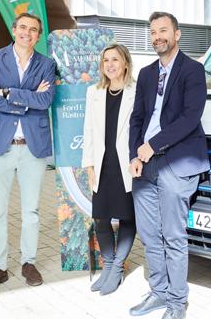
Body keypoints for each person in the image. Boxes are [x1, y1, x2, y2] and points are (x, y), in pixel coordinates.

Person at [128, 12, 209, 319]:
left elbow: (190, 118)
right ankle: (159, 293)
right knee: (149, 236)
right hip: (145, 165)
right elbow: (137, 118)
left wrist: (152, 146)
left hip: (176, 163)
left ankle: (177, 302)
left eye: (163, 30)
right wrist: (135, 155)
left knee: (173, 237)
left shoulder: (193, 70)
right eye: (152, 32)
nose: (157, 36)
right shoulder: (147, 74)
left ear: (177, 34)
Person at [0, 13, 56, 294]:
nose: (27, 33)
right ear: (14, 30)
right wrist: (26, 98)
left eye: (33, 30)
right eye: (23, 27)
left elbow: (46, 100)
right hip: (1, 146)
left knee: (31, 210)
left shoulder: (47, 64)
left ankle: (28, 262)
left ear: (38, 35)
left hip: (32, 147)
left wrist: (8, 92)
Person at [82, 44, 136, 295]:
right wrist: (89, 164)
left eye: (115, 59)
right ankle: (110, 265)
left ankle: (116, 271)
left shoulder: (136, 91)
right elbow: (89, 130)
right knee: (101, 217)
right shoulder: (93, 92)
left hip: (126, 163)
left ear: (125, 63)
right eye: (106, 60)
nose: (110, 64)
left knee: (127, 216)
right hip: (102, 162)